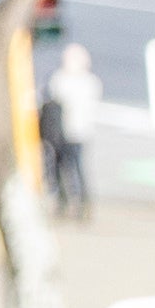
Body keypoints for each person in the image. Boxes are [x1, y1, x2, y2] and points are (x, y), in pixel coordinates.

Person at [40, 41, 99, 220]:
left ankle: (82, 203)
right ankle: (66, 201)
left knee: (75, 167)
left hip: (76, 133)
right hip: (63, 133)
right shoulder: (66, 79)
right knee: (61, 168)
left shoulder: (80, 81)